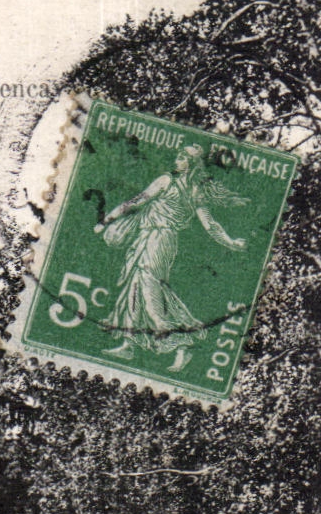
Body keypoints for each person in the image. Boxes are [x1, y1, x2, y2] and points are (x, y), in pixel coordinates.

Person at [95, 143, 248, 372]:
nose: (177, 159)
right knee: (136, 287)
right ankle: (131, 343)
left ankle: (174, 336)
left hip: (160, 239)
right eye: (179, 155)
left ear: (192, 164)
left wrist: (107, 220)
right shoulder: (191, 189)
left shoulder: (172, 182)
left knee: (149, 285)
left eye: (183, 156)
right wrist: (231, 241)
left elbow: (138, 202)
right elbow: (138, 202)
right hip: (149, 237)